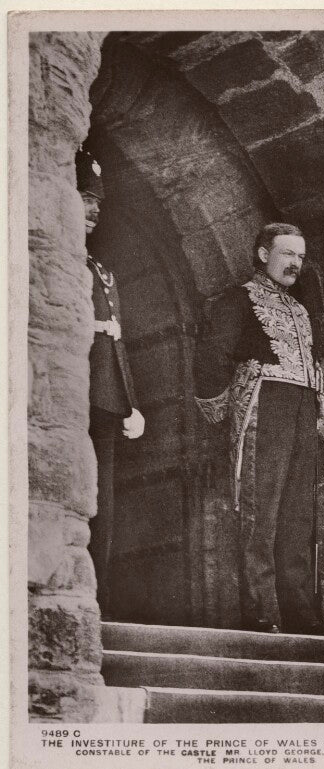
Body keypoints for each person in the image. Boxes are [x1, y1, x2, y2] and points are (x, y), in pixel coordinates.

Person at [194, 222, 324, 636]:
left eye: (300, 256)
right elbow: (211, 359)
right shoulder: (237, 300)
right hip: (263, 407)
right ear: (263, 254)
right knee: (261, 509)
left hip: (300, 408)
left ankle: (300, 612)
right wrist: (226, 414)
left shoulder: (299, 309)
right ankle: (259, 610)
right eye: (287, 253)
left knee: (297, 512)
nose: (295, 263)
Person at [76, 148, 145, 618]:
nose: (94, 209)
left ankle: (96, 601)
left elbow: (116, 339)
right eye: (84, 197)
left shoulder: (102, 272)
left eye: (97, 201)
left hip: (104, 399)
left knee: (104, 506)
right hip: (69, 394)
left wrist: (131, 404)